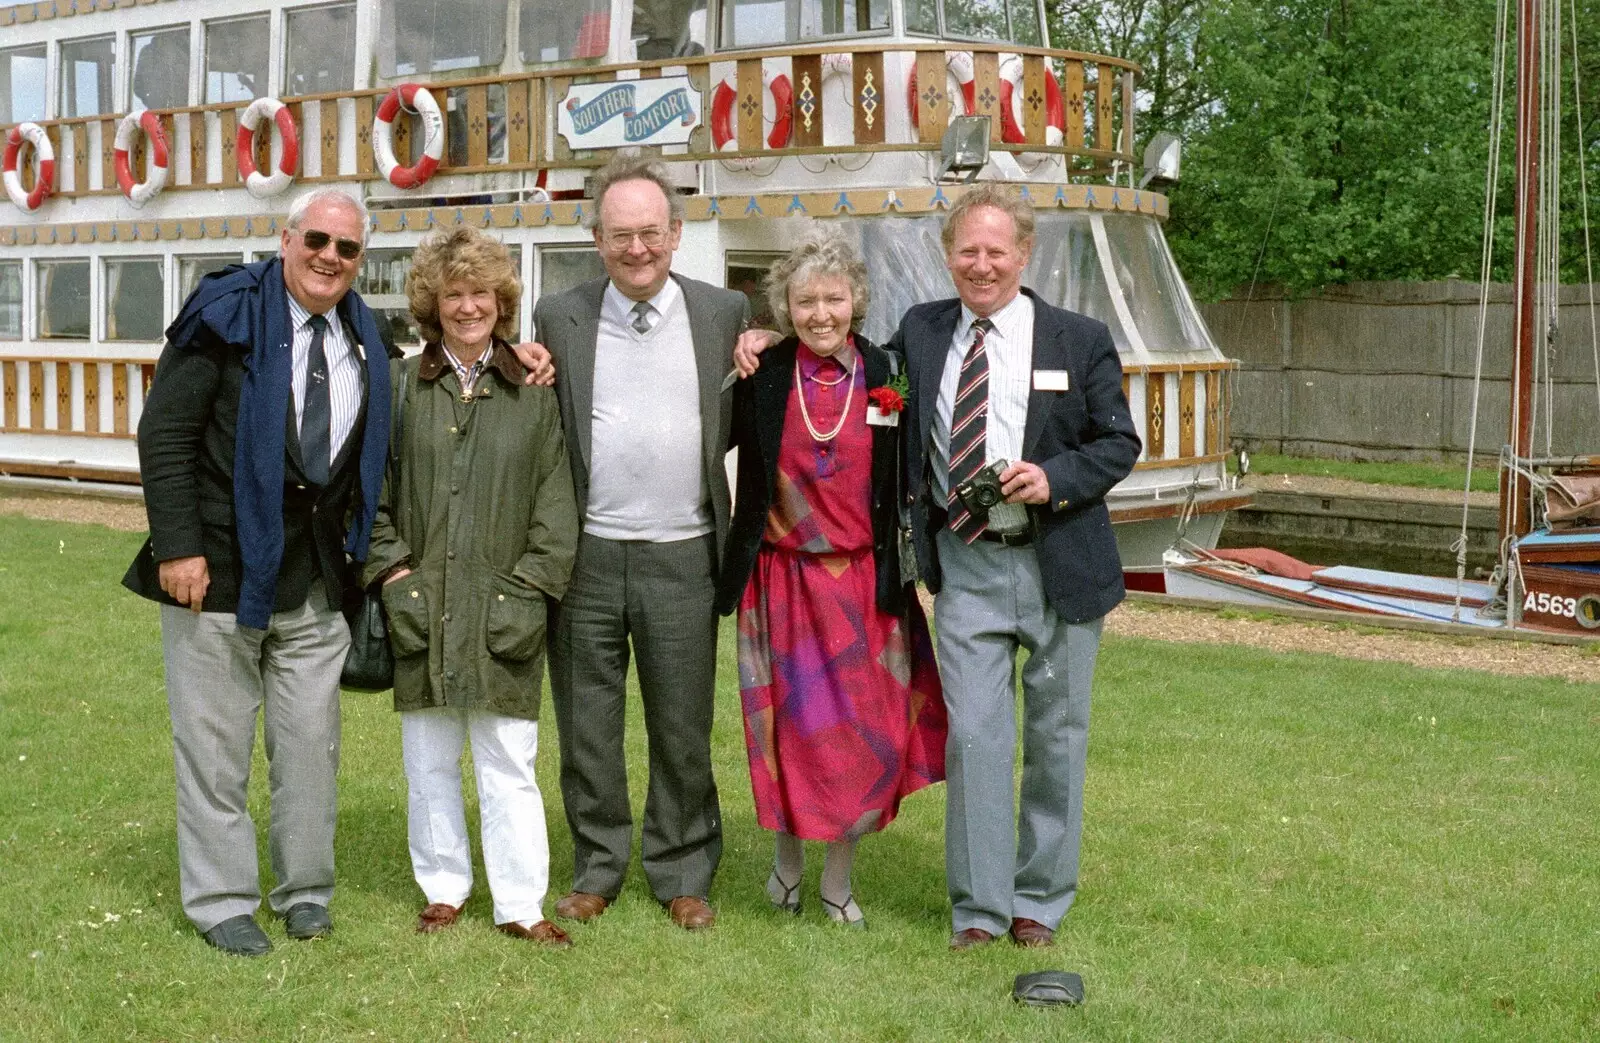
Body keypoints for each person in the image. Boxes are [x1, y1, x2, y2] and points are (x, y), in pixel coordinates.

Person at [735, 184, 1140, 950]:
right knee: (976, 738)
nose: (981, 264)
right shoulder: (920, 334)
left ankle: (1038, 904)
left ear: (1025, 253)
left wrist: (1056, 479)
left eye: (996, 250)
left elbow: (1118, 442)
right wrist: (763, 339)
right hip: (966, 565)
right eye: (967, 250)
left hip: (1058, 562)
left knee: (1056, 740)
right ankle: (980, 912)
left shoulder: (1078, 337)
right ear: (947, 255)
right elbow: (836, 352)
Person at [122, 188, 393, 956]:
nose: (329, 257)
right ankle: (221, 900)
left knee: (311, 746)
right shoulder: (225, 318)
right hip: (216, 573)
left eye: (346, 249)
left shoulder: (365, 335)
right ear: (285, 238)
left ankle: (306, 891)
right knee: (214, 750)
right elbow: (165, 434)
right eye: (316, 239)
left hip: (311, 582)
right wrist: (177, 545)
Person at [530, 153, 749, 931]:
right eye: (620, 235)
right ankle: (597, 865)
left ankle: (683, 868)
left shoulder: (726, 313)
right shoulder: (558, 315)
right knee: (587, 723)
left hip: (685, 552)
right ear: (597, 239)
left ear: (677, 233)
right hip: (586, 554)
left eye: (650, 233)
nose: (637, 249)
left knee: (682, 725)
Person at [715, 230, 947, 928]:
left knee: (856, 740)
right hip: (780, 583)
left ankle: (838, 883)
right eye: (805, 299)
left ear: (856, 300)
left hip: (864, 588)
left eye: (834, 298)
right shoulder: (763, 371)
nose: (821, 313)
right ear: (785, 306)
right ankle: (786, 867)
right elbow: (707, 438)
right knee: (788, 733)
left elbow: (910, 469)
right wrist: (745, 345)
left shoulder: (888, 370)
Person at [361, 228, 579, 947]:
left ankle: (521, 902)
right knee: (427, 757)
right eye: (452, 293)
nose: (467, 306)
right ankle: (444, 887)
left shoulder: (532, 388)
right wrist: (392, 571)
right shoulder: (397, 385)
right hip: (420, 600)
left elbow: (557, 503)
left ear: (501, 299)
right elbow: (372, 494)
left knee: (509, 759)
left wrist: (531, 588)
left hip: (504, 604)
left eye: (480, 292)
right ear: (431, 303)